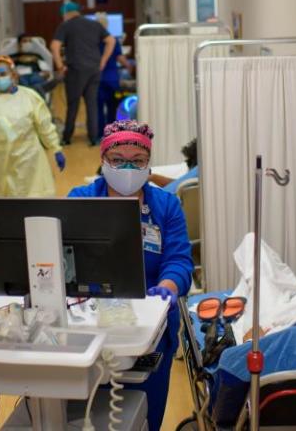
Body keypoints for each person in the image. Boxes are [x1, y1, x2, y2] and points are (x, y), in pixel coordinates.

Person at [68, 120, 193, 431]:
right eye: (118, 159)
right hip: (88, 318)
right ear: (104, 160)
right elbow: (62, 255)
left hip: (148, 327)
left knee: (143, 417)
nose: (127, 168)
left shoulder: (165, 205)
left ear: (148, 164)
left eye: (137, 161)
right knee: (86, 416)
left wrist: (167, 286)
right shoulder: (81, 199)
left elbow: (179, 260)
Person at [0, 56, 65, 197]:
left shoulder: (30, 98)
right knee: (2, 206)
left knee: (30, 201)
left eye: (3, 74)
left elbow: (45, 126)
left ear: (13, 75)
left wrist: (56, 149)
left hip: (28, 161)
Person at [50, 2, 115, 146]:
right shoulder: (94, 25)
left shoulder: (66, 26)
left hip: (76, 70)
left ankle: (67, 138)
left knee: (73, 104)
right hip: (94, 69)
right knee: (92, 104)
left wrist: (60, 66)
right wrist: (103, 61)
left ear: (66, 13)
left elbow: (54, 46)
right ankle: (93, 138)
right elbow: (111, 40)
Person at [94, 13, 131, 140]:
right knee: (112, 107)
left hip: (96, 79)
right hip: (112, 79)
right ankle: (111, 133)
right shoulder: (113, 40)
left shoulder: (92, 41)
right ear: (107, 25)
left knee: (97, 108)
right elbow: (120, 59)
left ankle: (99, 134)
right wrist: (130, 66)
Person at [11, 33, 55, 97]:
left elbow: (47, 72)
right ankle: (40, 88)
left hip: (35, 75)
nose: (28, 43)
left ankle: (35, 89)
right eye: (25, 41)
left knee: (35, 79)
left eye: (30, 41)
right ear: (19, 44)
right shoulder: (13, 57)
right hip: (20, 77)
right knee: (24, 82)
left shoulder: (37, 56)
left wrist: (45, 74)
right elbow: (6, 67)